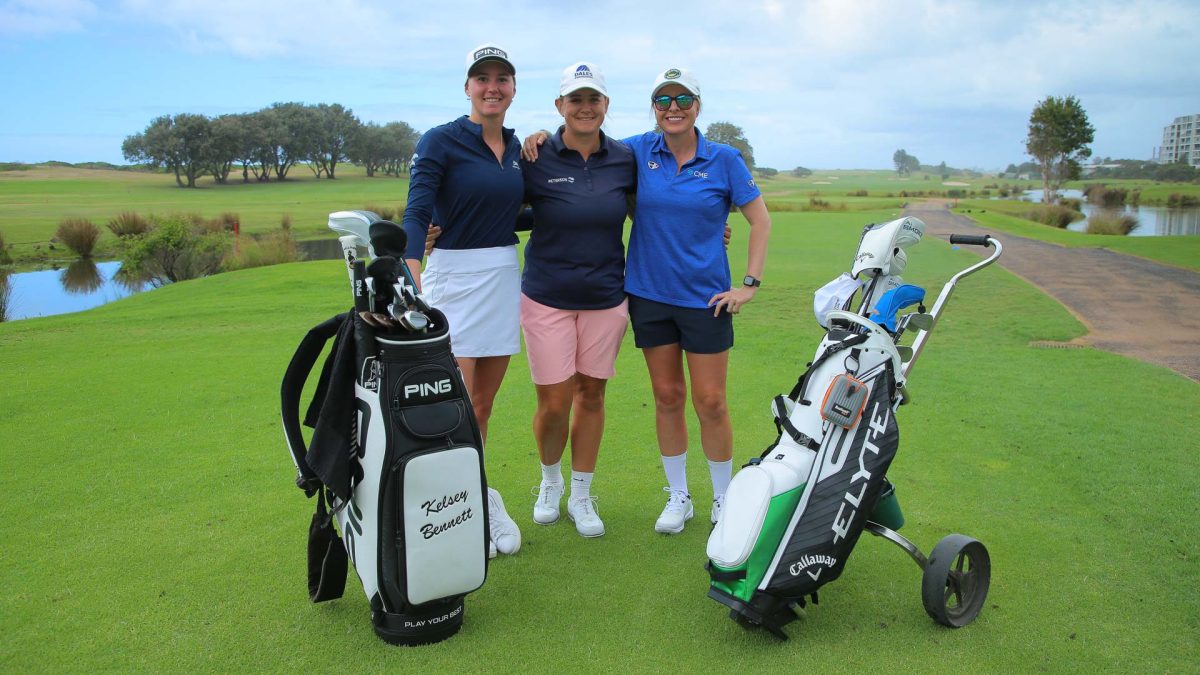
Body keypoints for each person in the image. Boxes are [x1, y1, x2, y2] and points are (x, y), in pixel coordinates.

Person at [525, 66, 771, 535]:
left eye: (683, 99)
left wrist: (749, 284)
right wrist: (540, 135)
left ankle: (724, 498)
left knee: (712, 401)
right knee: (666, 396)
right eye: (663, 100)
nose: (673, 108)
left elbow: (759, 221)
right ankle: (679, 496)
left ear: (698, 105)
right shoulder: (635, 151)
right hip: (649, 295)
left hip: (707, 298)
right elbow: (594, 160)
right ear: (653, 108)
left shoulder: (724, 159)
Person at [399, 43, 524, 557]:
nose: (492, 86)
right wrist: (412, 272)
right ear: (468, 86)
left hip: (501, 277)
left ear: (513, 87)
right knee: (452, 405)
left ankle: (474, 494)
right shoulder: (441, 141)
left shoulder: (521, 147)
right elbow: (416, 209)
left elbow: (521, 213)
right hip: (452, 278)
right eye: (482, 78)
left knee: (483, 404)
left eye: (502, 78)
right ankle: (450, 508)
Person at [519, 62, 636, 538]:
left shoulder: (625, 158)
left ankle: (582, 494)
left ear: (606, 105)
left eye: (594, 100)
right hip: (547, 295)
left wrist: (715, 232)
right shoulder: (534, 155)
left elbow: (657, 210)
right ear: (559, 106)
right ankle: (550, 481)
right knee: (553, 401)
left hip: (606, 296)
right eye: (576, 100)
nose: (585, 108)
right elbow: (497, 202)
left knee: (592, 393)